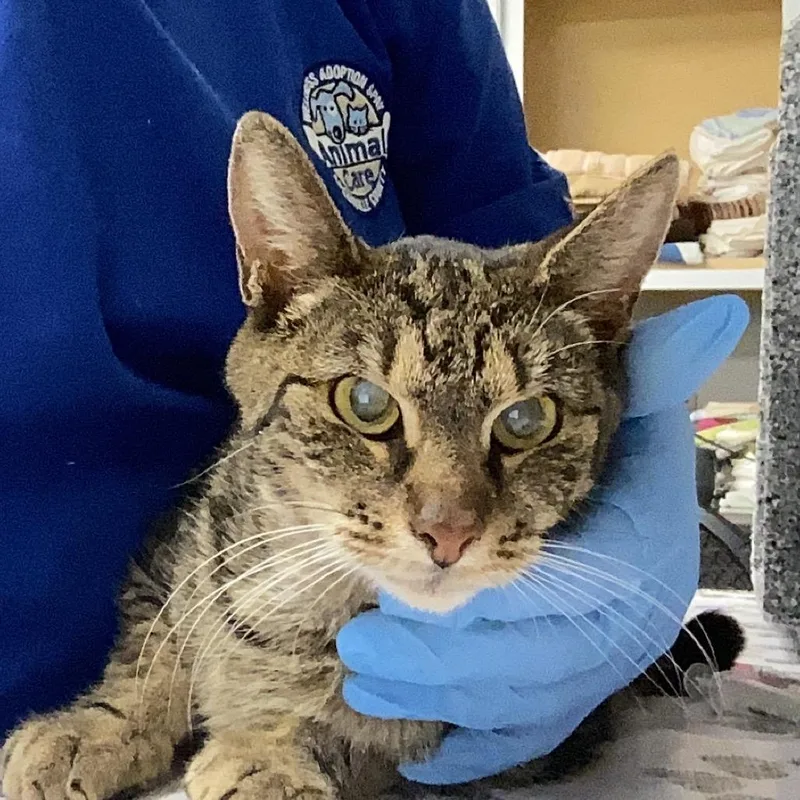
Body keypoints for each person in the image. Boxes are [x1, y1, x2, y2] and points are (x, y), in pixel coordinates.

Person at [0, 0, 746, 782]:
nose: (446, 517)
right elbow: (168, 575)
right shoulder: (232, 533)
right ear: (279, 294)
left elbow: (493, 203)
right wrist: (134, 710)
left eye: (522, 420)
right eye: (370, 408)